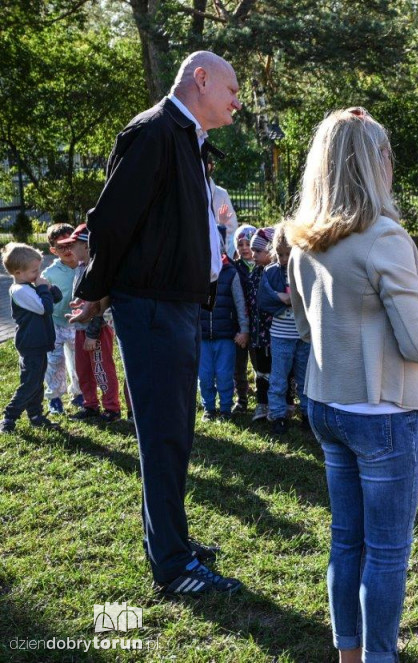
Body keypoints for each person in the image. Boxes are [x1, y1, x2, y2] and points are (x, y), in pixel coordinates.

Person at [71, 50, 243, 595]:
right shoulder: (152, 132)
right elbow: (112, 220)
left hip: (178, 306)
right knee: (164, 435)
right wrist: (95, 293)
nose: (238, 100)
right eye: (233, 89)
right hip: (152, 307)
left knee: (175, 433)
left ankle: (172, 540)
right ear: (201, 79)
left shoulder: (188, 138)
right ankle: (172, 565)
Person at [285, 107, 418, 663]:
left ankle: (350, 654)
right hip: (383, 411)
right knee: (387, 551)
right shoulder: (385, 236)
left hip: (327, 401)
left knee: (346, 540)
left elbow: (304, 326)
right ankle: (378, 658)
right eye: (388, 155)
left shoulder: (302, 239)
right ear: (376, 163)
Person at [62, 225, 121, 422]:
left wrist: (92, 333)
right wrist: (79, 303)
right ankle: (90, 405)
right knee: (83, 369)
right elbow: (86, 298)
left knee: (101, 368)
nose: (70, 250)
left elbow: (101, 305)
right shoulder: (80, 268)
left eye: (74, 245)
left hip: (97, 330)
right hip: (80, 328)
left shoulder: (98, 270)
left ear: (87, 246)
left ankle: (112, 408)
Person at [1, 243, 60, 432]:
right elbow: (45, 308)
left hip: (39, 343)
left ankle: (35, 415)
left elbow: (49, 301)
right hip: (30, 344)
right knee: (30, 382)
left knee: (36, 380)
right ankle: (9, 417)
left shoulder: (28, 286)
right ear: (18, 272)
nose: (38, 274)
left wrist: (51, 291)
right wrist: (43, 289)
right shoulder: (20, 290)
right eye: (34, 271)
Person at [259, 227, 310, 435]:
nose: (284, 258)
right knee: (279, 377)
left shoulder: (304, 271)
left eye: (288, 254)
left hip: (302, 335)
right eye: (280, 254)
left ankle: (307, 415)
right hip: (280, 334)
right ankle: (278, 415)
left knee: (304, 377)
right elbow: (265, 298)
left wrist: (289, 299)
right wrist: (282, 298)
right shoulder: (270, 272)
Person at [199, 243, 249, 420]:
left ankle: (226, 408)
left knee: (224, 375)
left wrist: (244, 329)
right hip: (202, 336)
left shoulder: (230, 273)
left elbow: (240, 303)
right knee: (204, 376)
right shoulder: (197, 272)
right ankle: (209, 408)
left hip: (226, 336)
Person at [41, 223, 82, 415]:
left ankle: (79, 393)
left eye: (70, 244)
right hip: (55, 322)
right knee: (55, 360)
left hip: (79, 322)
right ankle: (55, 398)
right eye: (60, 246)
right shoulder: (49, 273)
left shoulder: (85, 265)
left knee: (79, 359)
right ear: (53, 250)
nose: (67, 250)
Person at [247, 227, 276, 421]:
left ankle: (277, 405)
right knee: (260, 371)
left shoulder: (274, 273)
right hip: (257, 333)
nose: (254, 255)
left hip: (273, 333)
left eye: (258, 251)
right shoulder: (254, 273)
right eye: (253, 251)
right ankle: (261, 404)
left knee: (277, 371)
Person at [230, 224, 257, 414]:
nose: (245, 248)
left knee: (259, 364)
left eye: (249, 243)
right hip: (238, 325)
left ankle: (263, 397)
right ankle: (241, 398)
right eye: (241, 244)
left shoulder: (263, 267)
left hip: (258, 326)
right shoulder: (234, 268)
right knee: (238, 365)